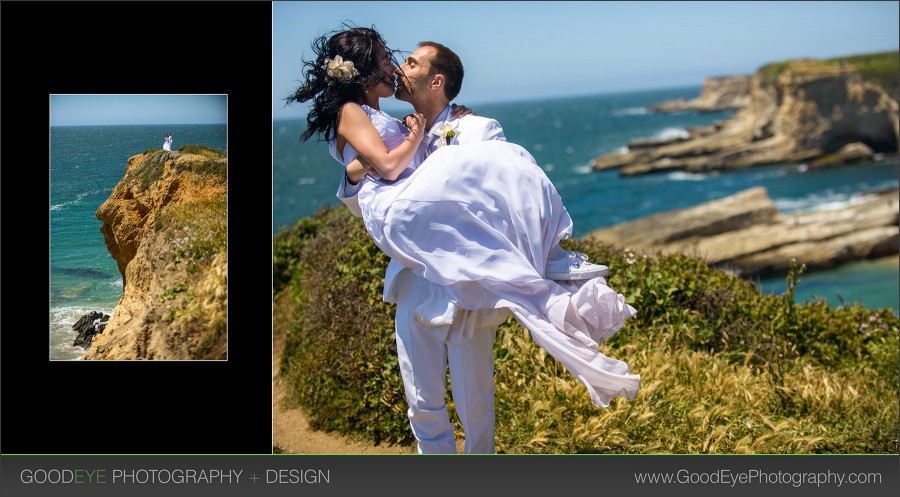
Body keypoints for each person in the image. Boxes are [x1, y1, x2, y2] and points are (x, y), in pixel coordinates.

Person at [288, 27, 638, 454]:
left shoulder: (476, 127)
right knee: (421, 397)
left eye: (412, 62)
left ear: (437, 82)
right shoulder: (396, 127)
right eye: (395, 60)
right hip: (415, 275)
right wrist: (350, 175)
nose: (398, 67)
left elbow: (500, 193)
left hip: (467, 283)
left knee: (476, 400)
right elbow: (376, 195)